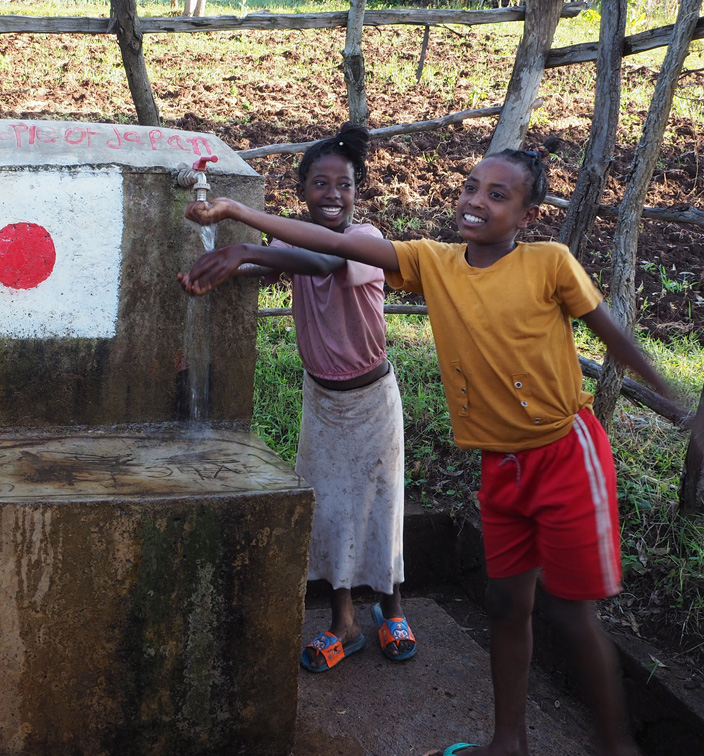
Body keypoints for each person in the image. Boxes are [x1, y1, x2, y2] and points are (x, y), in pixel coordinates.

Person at [181, 138, 672, 756]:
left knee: (571, 613)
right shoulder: (435, 260)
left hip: (560, 450)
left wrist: (679, 407)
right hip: (495, 461)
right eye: (471, 187)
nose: (475, 201)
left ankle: (614, 745)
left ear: (527, 215)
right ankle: (506, 741)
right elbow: (318, 248)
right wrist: (234, 236)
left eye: (498, 195)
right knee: (491, 595)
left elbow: (615, 338)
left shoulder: (548, 263)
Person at [178, 123, 415, 673]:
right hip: (322, 401)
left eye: (345, 185)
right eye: (320, 184)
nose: (333, 194)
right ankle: (344, 624)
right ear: (302, 190)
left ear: (359, 193)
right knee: (329, 507)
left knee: (383, 501)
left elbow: (322, 262)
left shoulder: (367, 242)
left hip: (372, 400)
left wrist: (239, 231)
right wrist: (209, 266)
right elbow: (268, 263)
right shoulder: (288, 245)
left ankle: (391, 606)